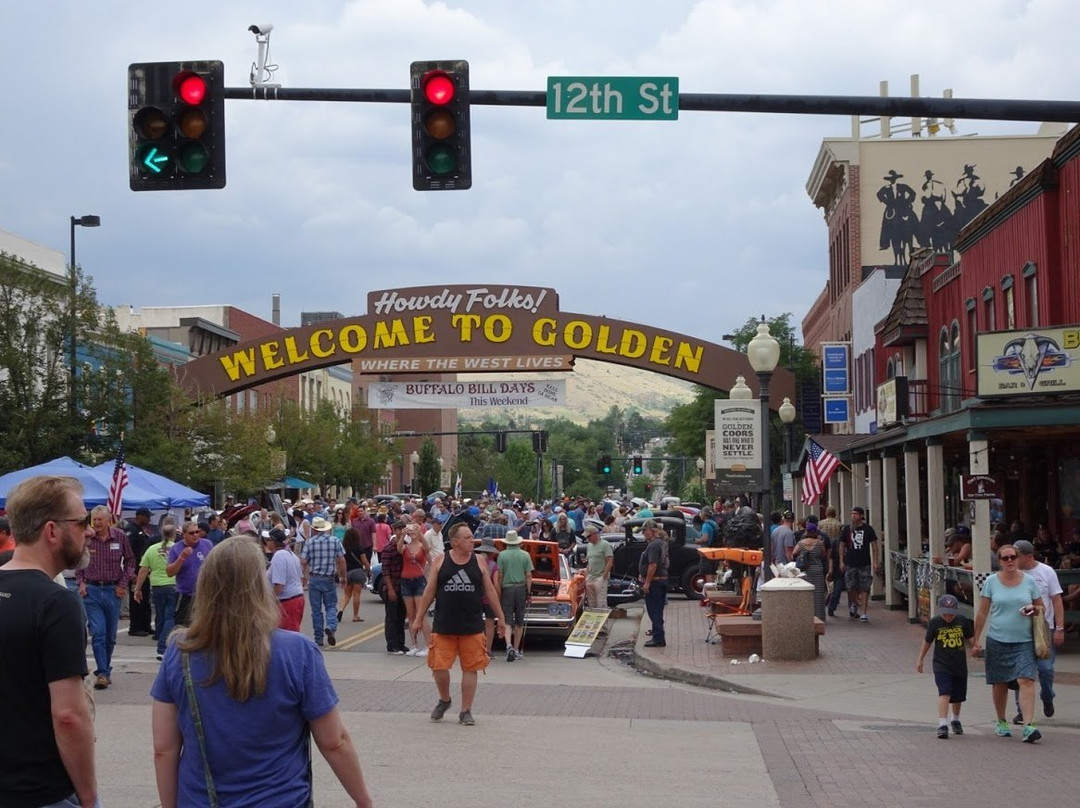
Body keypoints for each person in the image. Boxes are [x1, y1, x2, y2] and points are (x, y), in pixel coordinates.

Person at [150, 537, 373, 808]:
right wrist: (363, 801)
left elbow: (164, 749)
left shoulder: (179, 652)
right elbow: (334, 741)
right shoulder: (297, 651)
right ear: (260, 585)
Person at [0, 475, 99, 808]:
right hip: (41, 790)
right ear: (52, 531)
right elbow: (69, 715)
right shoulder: (56, 603)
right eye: (82, 521)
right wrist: (88, 796)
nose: (90, 530)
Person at [412, 521, 508, 726]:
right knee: (438, 666)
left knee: (470, 668)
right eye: (466, 537)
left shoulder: (480, 561)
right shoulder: (440, 561)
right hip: (444, 625)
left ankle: (466, 711)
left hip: (471, 625)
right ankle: (445, 699)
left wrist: (501, 618)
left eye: (471, 536)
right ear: (454, 542)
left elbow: (490, 591)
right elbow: (429, 591)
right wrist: (419, 618)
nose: (471, 540)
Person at [971, 543, 1044, 743]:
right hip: (998, 639)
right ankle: (1001, 721)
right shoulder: (991, 582)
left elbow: (1040, 607)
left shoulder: (1029, 582)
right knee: (999, 682)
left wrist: (1031, 608)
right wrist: (975, 639)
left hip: (1024, 641)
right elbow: (983, 612)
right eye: (1005, 558)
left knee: (1026, 680)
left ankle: (1028, 725)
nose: (1010, 561)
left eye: (1013, 557)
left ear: (1019, 558)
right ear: (1000, 561)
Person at [76, 504, 136, 690]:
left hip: (112, 591)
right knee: (99, 633)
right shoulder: (87, 538)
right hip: (92, 591)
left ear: (108, 519)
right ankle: (102, 672)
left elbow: (130, 561)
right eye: (94, 520)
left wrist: (122, 584)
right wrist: (81, 583)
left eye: (100, 520)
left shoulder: (120, 537)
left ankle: (105, 669)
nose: (96, 523)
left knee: (110, 636)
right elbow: (78, 560)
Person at [1011, 540, 1065, 722]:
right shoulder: (1012, 573)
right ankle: (1021, 709)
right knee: (1022, 671)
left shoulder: (1046, 572)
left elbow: (1056, 600)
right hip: (1020, 629)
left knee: (1045, 668)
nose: (1014, 560)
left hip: (1043, 627)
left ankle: (1047, 696)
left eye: (1017, 556)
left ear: (1029, 556)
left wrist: (1059, 628)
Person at [916, 594, 975, 738]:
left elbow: (971, 638)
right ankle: (942, 724)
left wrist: (976, 647)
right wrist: (920, 659)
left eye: (951, 614)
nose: (948, 617)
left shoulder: (962, 621)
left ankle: (955, 719)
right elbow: (928, 641)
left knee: (958, 696)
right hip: (941, 664)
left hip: (959, 664)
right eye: (945, 614)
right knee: (945, 692)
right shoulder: (935, 623)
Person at [134, 522, 178, 661]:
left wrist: (137, 588)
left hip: (157, 585)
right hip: (173, 584)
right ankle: (163, 646)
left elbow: (143, 570)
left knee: (160, 616)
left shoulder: (152, 549)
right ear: (174, 535)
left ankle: (161, 640)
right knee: (170, 617)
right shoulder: (177, 548)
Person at [301, 516, 346, 648]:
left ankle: (318, 638)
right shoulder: (335, 541)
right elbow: (342, 560)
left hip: (314, 578)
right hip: (329, 578)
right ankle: (331, 627)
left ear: (314, 529)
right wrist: (343, 576)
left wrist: (303, 576)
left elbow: (303, 561)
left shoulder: (309, 542)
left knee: (316, 610)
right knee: (331, 605)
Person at [166, 520, 215, 629]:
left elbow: (214, 565)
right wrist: (182, 557)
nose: (195, 535)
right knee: (181, 625)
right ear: (184, 534)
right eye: (192, 533)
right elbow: (169, 572)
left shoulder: (207, 544)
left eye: (197, 532)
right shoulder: (176, 548)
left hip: (204, 594)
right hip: (185, 593)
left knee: (204, 625)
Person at [495, 529, 533, 661]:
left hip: (507, 588)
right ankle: (516, 650)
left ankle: (508, 645)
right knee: (519, 621)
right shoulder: (525, 555)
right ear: (518, 542)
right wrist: (529, 592)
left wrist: (498, 590)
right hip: (521, 588)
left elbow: (499, 575)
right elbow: (528, 575)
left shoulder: (502, 555)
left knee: (507, 619)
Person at [838, 506, 879, 623]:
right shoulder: (847, 529)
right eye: (852, 514)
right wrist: (841, 561)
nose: (853, 516)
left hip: (864, 563)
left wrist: (875, 561)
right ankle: (854, 603)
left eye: (855, 514)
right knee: (850, 586)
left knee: (864, 587)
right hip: (850, 563)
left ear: (861, 516)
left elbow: (874, 546)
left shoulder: (868, 529)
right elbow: (841, 545)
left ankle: (864, 613)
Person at [264, 527, 305, 631]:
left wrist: (269, 602)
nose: (266, 542)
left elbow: (279, 584)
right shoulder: (292, 555)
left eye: (268, 540)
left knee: (288, 635)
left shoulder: (279, 556)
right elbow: (301, 578)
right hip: (297, 598)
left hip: (288, 602)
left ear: (274, 542)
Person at [399, 523, 431, 656]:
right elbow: (399, 549)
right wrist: (403, 535)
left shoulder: (422, 546)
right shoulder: (406, 546)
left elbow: (428, 548)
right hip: (406, 581)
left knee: (421, 614)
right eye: (410, 531)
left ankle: (429, 645)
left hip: (419, 581)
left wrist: (421, 534)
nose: (412, 533)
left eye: (414, 530)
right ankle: (414, 645)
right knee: (411, 614)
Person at [124, 506, 157, 637]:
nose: (149, 519)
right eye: (147, 516)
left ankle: (145, 625)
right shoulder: (131, 531)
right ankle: (135, 627)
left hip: (144, 569)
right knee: (136, 599)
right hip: (136, 570)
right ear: (139, 516)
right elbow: (128, 553)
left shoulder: (141, 531)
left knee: (145, 598)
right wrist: (131, 572)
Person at [639, 519, 669, 648]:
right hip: (662, 580)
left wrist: (647, 582)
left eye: (645, 531)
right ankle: (657, 635)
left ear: (651, 531)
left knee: (654, 610)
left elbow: (652, 564)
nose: (644, 533)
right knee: (658, 609)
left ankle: (658, 638)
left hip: (655, 582)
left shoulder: (653, 545)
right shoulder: (661, 543)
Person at [793, 522, 828, 621]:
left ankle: (807, 616)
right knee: (818, 594)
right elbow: (823, 555)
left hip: (805, 571)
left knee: (806, 593)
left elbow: (794, 553)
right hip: (818, 571)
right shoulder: (819, 543)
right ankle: (819, 617)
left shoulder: (801, 543)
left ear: (806, 531)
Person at [338, 526, 371, 624]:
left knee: (347, 594)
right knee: (356, 594)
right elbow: (364, 561)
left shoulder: (343, 547)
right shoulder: (359, 546)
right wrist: (369, 570)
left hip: (347, 572)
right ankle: (355, 616)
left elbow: (340, 562)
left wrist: (341, 574)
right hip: (358, 572)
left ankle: (340, 609)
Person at [475, 537, 501, 657]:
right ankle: (487, 650)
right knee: (490, 625)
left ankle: (476, 648)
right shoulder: (493, 565)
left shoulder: (474, 563)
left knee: (476, 624)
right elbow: (496, 584)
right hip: (489, 599)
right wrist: (498, 597)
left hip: (475, 597)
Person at [583, 523, 613, 609]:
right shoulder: (589, 546)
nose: (588, 539)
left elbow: (610, 561)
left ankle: (603, 622)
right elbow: (589, 562)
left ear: (596, 534)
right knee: (591, 603)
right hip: (591, 577)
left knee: (601, 603)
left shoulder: (605, 544)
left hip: (600, 577)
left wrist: (604, 576)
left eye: (589, 536)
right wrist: (586, 576)